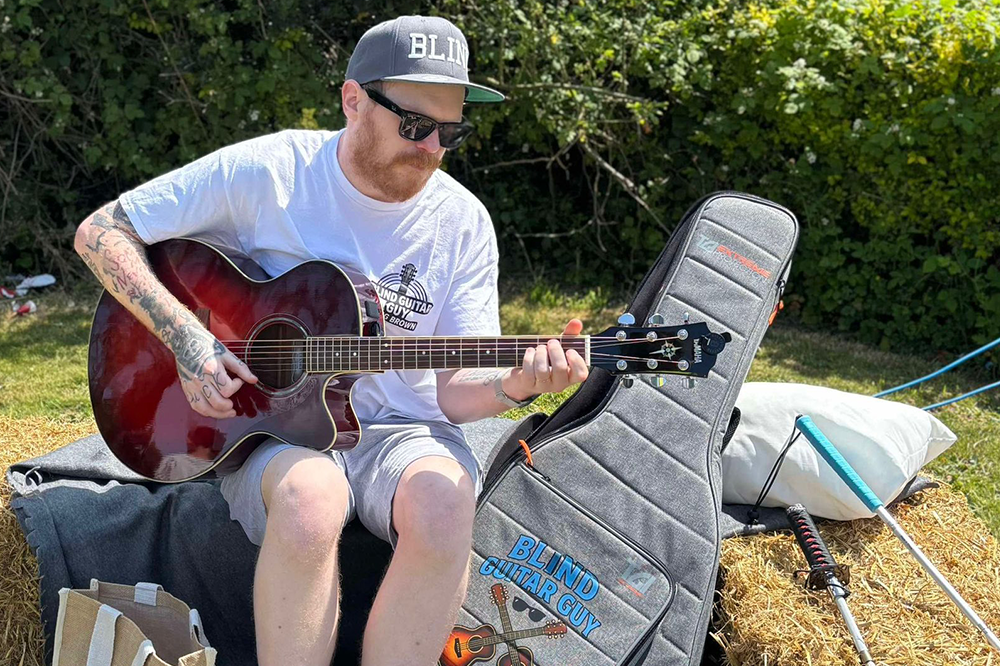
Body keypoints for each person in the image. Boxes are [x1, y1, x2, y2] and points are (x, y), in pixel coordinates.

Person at [73, 15, 589, 666]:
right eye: (414, 124)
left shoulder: (462, 223)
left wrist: (518, 385)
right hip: (275, 429)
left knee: (445, 506)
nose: (431, 146)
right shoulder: (272, 172)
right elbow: (101, 233)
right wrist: (187, 339)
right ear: (353, 101)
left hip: (403, 432)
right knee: (312, 499)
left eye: (450, 131)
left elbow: (454, 392)